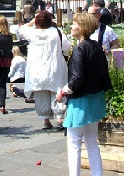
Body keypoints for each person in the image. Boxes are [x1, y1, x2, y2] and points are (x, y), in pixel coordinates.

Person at [57, 13, 112, 176]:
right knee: (91, 141)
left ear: (82, 28)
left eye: (74, 24)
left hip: (80, 102)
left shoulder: (80, 49)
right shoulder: (96, 46)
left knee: (74, 143)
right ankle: (98, 174)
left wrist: (63, 91)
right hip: (95, 98)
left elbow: (77, 78)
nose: (72, 26)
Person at [17, 10, 70, 130]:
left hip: (37, 70)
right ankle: (60, 119)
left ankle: (46, 120)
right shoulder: (57, 32)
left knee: (41, 94)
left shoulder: (31, 32)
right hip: (55, 67)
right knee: (58, 92)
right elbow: (66, 47)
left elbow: (20, 30)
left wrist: (30, 22)